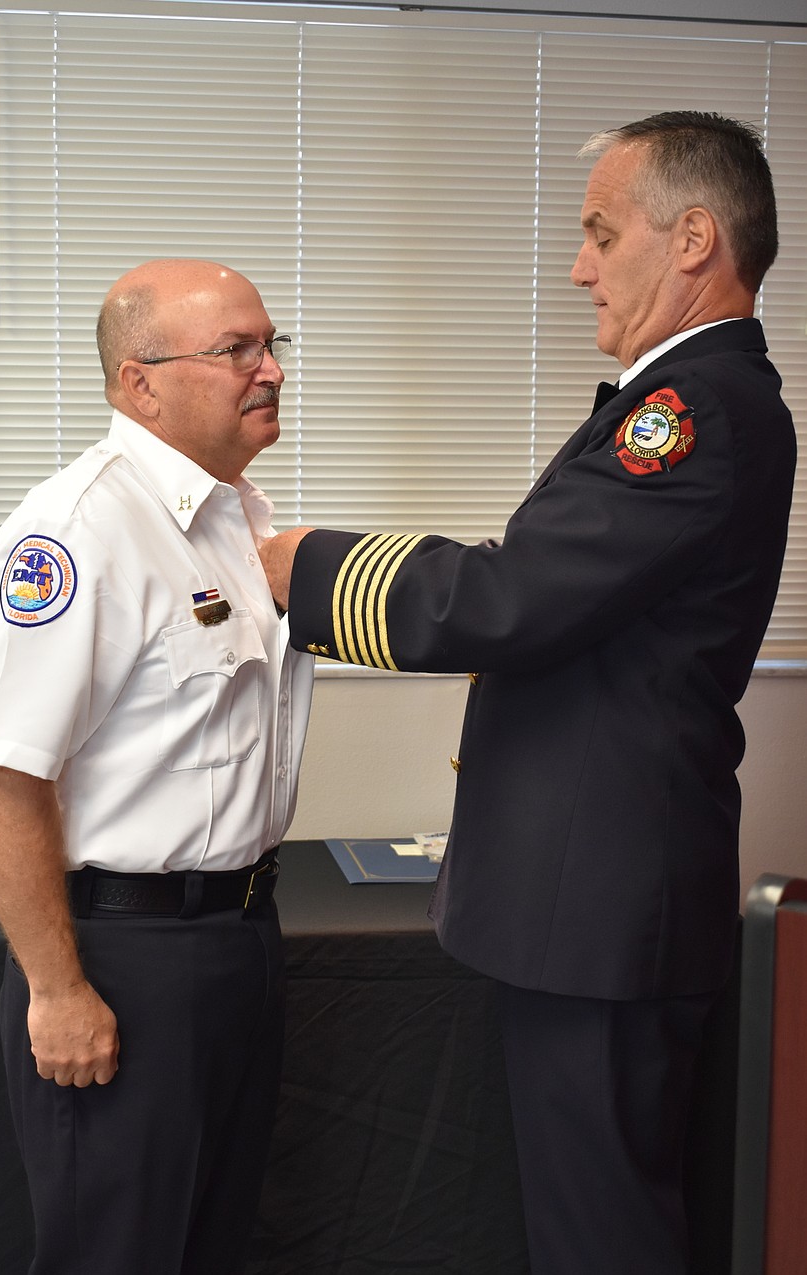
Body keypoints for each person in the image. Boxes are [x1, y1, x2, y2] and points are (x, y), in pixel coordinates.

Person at [258, 112, 796, 1274]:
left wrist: (302, 567)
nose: (581, 267)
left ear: (692, 239)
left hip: (600, 905)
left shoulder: (693, 410)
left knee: (600, 1233)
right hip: (594, 897)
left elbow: (516, 599)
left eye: (601, 233)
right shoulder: (690, 398)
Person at [0, 259, 314, 1275]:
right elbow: (7, 779)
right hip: (123, 957)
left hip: (239, 936)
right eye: (236, 350)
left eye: (271, 345)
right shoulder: (76, 532)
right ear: (140, 384)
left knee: (211, 1246)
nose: (270, 371)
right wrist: (57, 990)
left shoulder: (238, 518)